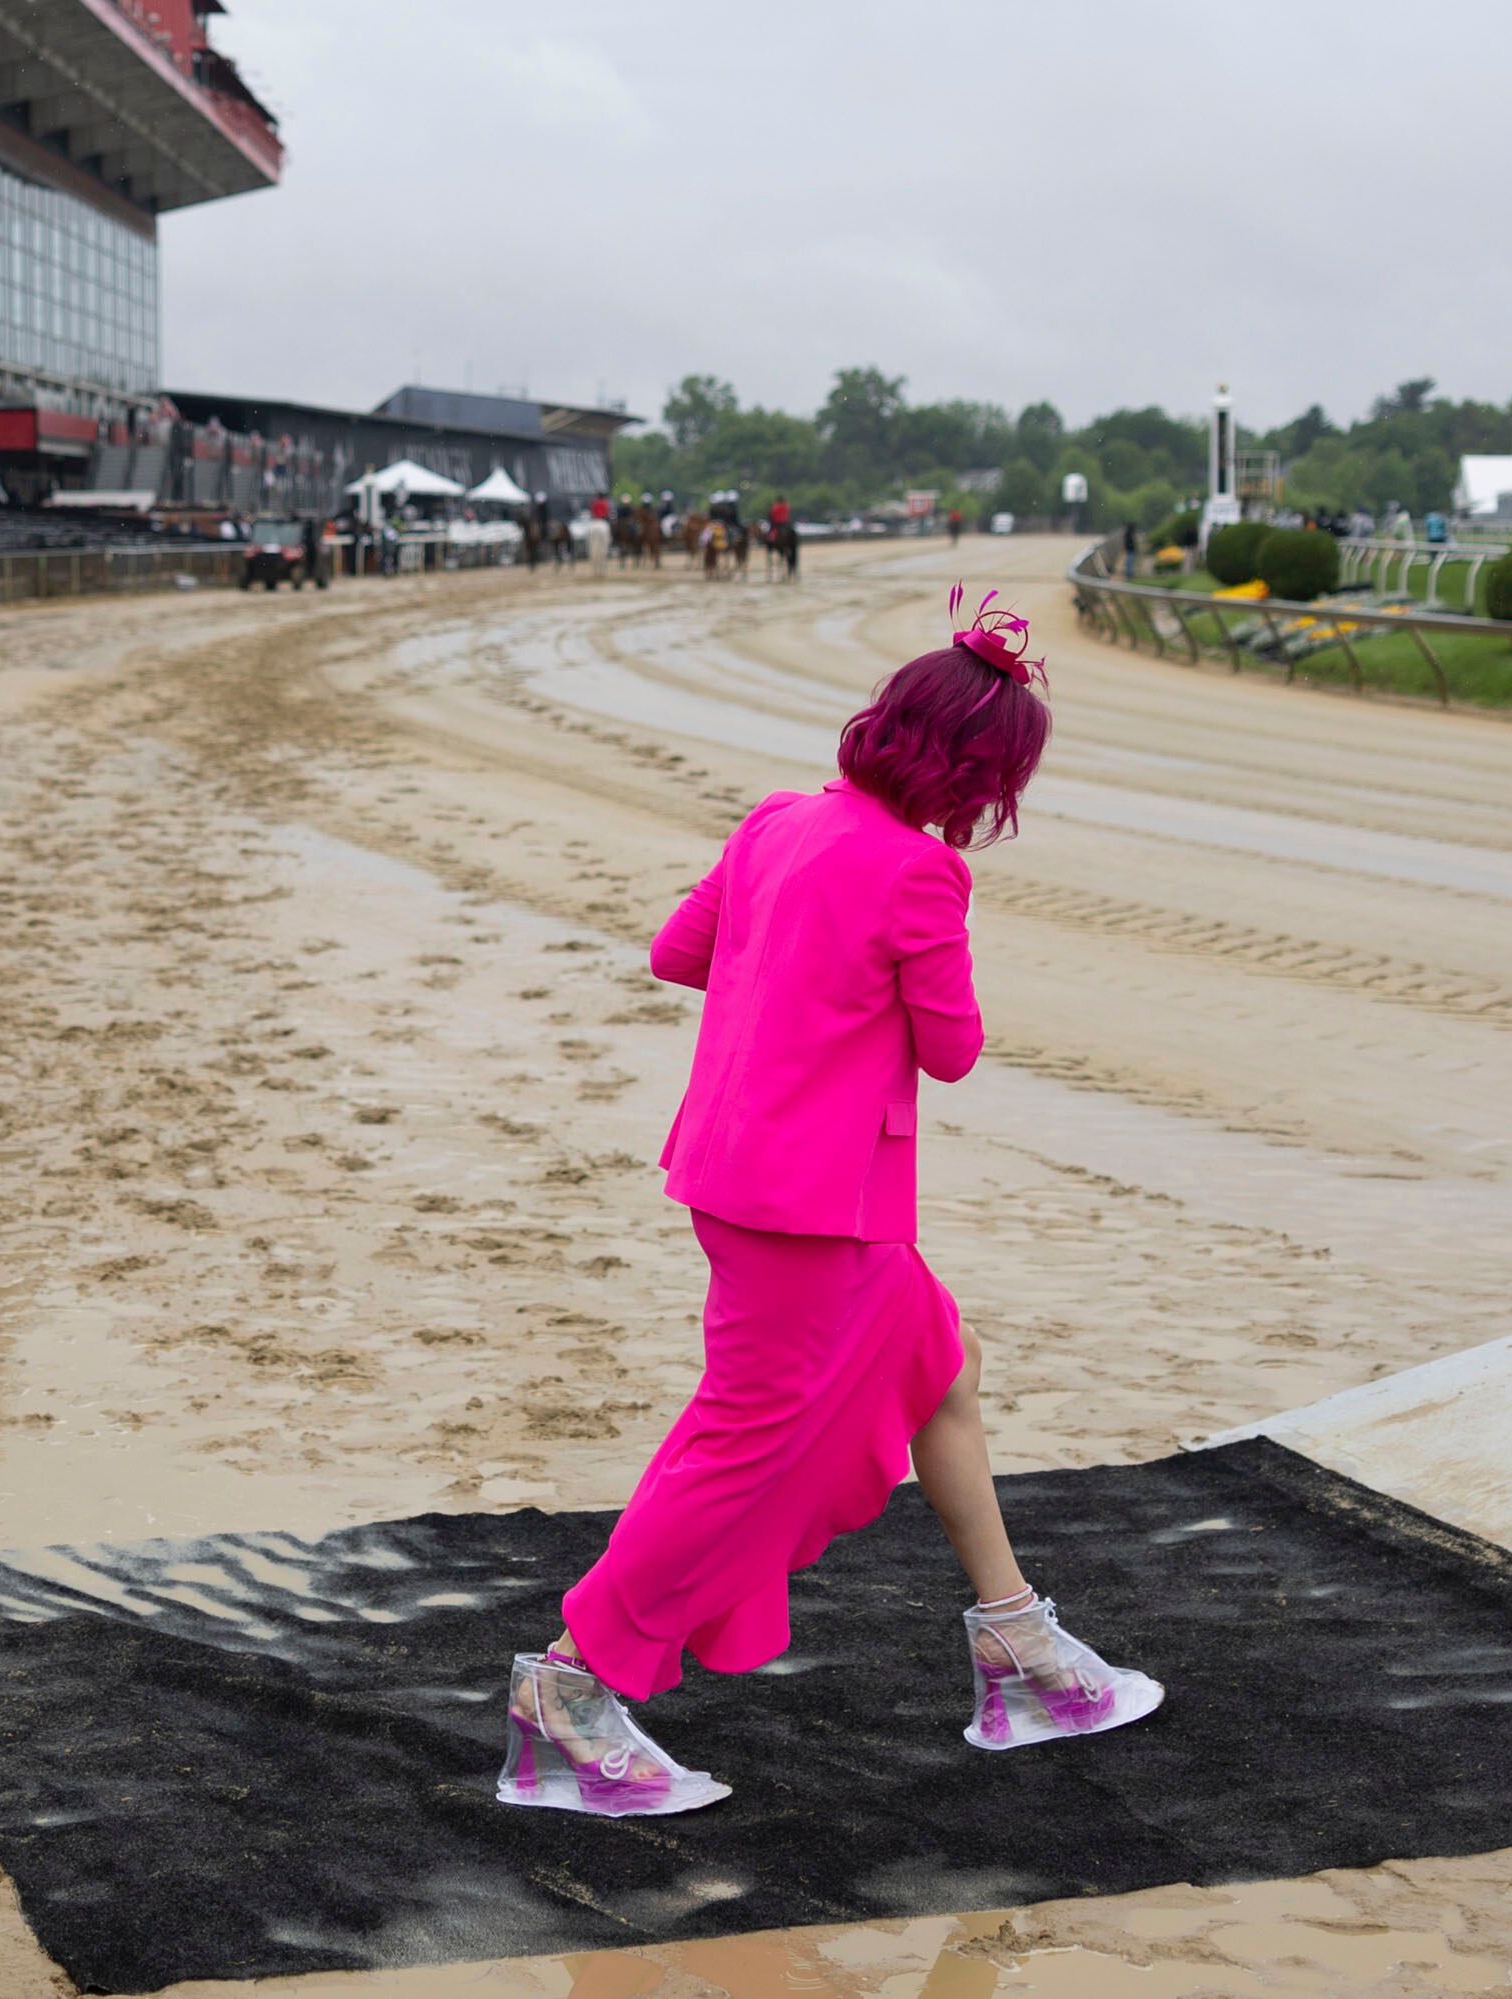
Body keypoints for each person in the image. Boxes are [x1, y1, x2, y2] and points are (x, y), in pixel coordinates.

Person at [500, 589, 1160, 1818]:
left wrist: (795, 971)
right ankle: (570, 1686)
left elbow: (678, 952)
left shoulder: (777, 821)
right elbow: (953, 1051)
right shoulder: (924, 873)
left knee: (941, 1368)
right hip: (823, 1210)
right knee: (737, 1446)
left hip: (732, 1176)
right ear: (979, 773)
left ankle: (1017, 1644)